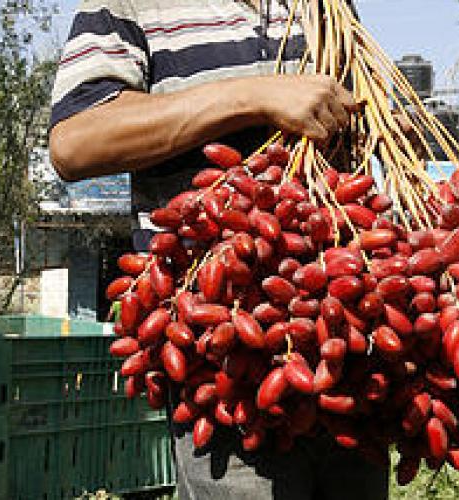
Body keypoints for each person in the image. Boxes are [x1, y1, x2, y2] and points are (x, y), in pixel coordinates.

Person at [48, 1, 389, 499]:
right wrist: (254, 97)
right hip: (225, 367)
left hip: (341, 350)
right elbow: (77, 141)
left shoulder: (325, 8)